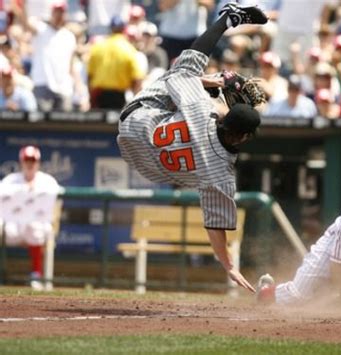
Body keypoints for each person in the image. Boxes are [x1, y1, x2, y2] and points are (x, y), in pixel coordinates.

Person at [117, 2, 268, 293]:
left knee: (183, 71)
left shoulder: (200, 109)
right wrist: (228, 265)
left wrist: (214, 82)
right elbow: (215, 225)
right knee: (187, 85)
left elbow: (181, 72)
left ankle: (229, 17)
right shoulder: (221, 177)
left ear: (225, 119)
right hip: (145, 164)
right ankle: (215, 78)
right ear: (245, 137)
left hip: (135, 119)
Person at [1, 146, 60, 291]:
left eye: (32, 160)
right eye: (27, 160)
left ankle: (36, 275)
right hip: (12, 227)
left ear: (38, 162)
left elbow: (56, 201)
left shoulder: (47, 181)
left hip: (39, 226)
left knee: (35, 227)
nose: (30, 163)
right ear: (21, 162)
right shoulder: (10, 180)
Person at [87, 16, 144, 109]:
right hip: (118, 95)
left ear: (110, 28)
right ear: (123, 29)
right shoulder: (129, 49)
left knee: (97, 122)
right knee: (116, 122)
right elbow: (137, 78)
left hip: (99, 94)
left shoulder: (98, 47)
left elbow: (90, 76)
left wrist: (90, 97)